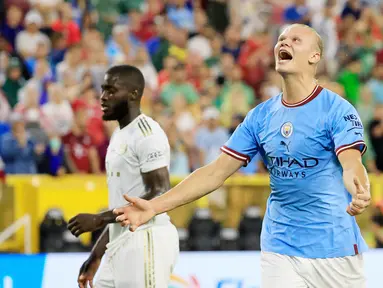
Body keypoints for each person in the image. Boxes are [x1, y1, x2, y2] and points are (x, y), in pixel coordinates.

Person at [114, 24, 371, 288]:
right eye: (281, 39)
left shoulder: (337, 109)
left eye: (295, 39)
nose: (284, 43)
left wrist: (359, 189)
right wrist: (154, 207)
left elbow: (351, 163)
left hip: (334, 248)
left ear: (314, 56)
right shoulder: (260, 117)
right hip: (280, 246)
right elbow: (215, 172)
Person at [67, 65, 179, 288]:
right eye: (102, 90)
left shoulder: (147, 133)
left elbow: (159, 191)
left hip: (146, 240)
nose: (103, 97)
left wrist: (99, 219)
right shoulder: (119, 134)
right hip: (120, 243)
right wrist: (97, 254)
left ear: (133, 94)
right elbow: (122, 202)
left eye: (110, 91)